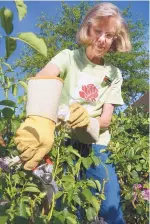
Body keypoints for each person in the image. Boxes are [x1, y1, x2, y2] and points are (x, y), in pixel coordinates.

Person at [14, 2, 132, 224]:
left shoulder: (113, 74)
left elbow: (106, 120)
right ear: (88, 29)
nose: (102, 40)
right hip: (64, 142)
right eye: (98, 31)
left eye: (109, 35)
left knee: (109, 205)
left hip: (97, 145)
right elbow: (43, 80)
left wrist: (86, 122)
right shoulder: (68, 57)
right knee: (64, 204)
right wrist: (39, 120)